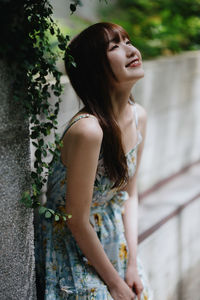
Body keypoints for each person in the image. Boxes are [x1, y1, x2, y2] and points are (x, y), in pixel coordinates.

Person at [35, 22, 153, 300]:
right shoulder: (88, 130)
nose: (130, 49)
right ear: (95, 70)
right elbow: (76, 220)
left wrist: (132, 264)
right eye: (115, 46)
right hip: (72, 244)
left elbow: (129, 195)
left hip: (113, 239)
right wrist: (114, 284)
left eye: (127, 40)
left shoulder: (139, 117)